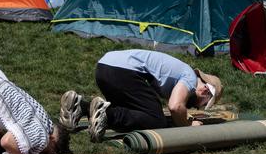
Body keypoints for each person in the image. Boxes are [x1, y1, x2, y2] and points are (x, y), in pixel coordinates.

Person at [59, 49, 223, 142]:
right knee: (155, 119)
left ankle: (79, 106)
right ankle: (106, 115)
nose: (196, 107)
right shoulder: (190, 79)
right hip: (123, 71)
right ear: (206, 91)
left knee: (134, 110)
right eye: (203, 104)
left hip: (104, 67)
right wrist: (187, 127)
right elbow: (175, 106)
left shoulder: (183, 73)